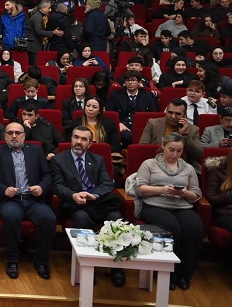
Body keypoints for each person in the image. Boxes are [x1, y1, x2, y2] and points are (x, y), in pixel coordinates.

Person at [51, 126, 125, 287]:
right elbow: (58, 186)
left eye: (84, 139)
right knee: (81, 218)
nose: (79, 142)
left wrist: (94, 195)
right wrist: (73, 195)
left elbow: (107, 183)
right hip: (75, 204)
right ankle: (85, 267)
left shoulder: (98, 160)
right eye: (76, 137)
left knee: (116, 218)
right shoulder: (59, 160)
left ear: (90, 144)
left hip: (98, 202)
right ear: (71, 139)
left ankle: (116, 267)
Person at [128, 132, 203, 290]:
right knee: (173, 227)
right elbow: (140, 189)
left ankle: (185, 275)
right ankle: (169, 275)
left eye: (179, 151)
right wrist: (162, 189)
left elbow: (196, 195)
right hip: (154, 205)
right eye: (171, 150)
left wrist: (184, 193)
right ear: (163, 146)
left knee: (194, 227)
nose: (175, 154)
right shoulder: (149, 164)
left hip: (181, 206)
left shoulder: (188, 168)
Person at [0, 122, 56, 280]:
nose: (14, 136)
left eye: (17, 133)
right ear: (5, 136)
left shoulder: (36, 150)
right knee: (11, 216)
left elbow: (47, 175)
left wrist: (42, 187)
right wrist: (3, 189)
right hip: (10, 200)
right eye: (10, 133)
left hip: (33, 200)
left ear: (24, 135)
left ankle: (42, 261)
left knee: (48, 218)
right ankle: (12, 260)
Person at [140, 98, 204, 173]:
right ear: (166, 112)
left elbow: (198, 155)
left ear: (184, 115)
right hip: (155, 165)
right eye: (170, 112)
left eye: (178, 114)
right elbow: (142, 148)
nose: (173, 116)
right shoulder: (153, 123)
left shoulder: (193, 129)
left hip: (182, 168)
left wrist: (185, 134)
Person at [106, 71, 159, 147]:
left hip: (142, 125)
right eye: (128, 80)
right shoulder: (115, 95)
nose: (130, 83)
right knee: (126, 136)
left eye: (133, 80)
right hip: (123, 124)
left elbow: (154, 112)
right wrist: (118, 123)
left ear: (139, 82)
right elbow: (109, 112)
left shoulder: (147, 95)